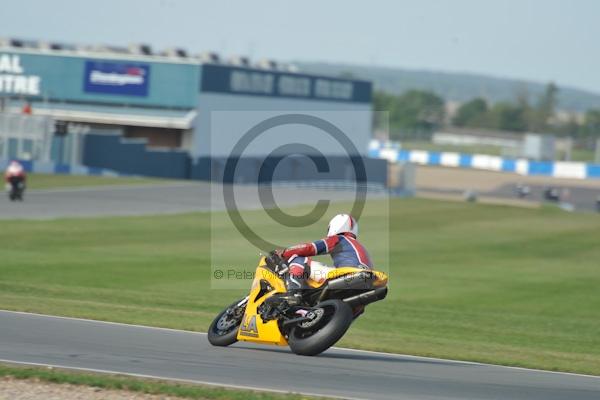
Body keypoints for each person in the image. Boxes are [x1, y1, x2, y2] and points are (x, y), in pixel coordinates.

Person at [277, 213, 373, 304]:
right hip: (367, 280)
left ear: (334, 226)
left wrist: (285, 252)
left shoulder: (338, 239)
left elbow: (310, 248)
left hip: (348, 274)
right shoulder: (361, 248)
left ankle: (293, 293)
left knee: (298, 258)